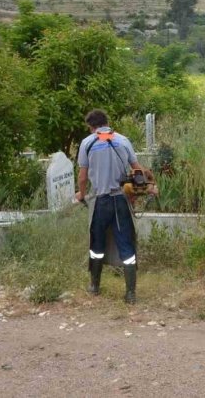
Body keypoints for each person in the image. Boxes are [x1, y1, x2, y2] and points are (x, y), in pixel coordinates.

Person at [75, 109, 154, 303]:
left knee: (97, 244)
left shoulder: (87, 143)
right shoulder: (123, 140)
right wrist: (147, 188)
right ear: (106, 123)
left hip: (101, 201)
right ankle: (130, 293)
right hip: (120, 199)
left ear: (92, 127)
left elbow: (83, 177)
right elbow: (137, 171)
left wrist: (82, 194)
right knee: (126, 243)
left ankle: (94, 286)